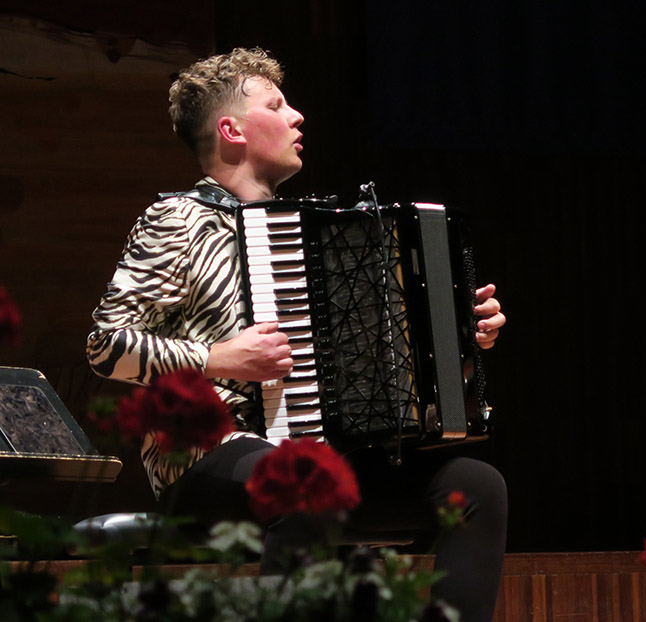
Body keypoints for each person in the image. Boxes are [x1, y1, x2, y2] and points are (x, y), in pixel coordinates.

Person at [86, 48, 507, 622]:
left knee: (475, 486)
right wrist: (217, 358)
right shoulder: (178, 219)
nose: (297, 116)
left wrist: (460, 338)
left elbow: (381, 362)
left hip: (321, 459)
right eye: (276, 105)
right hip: (208, 460)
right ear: (231, 130)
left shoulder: (310, 236)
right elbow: (106, 345)